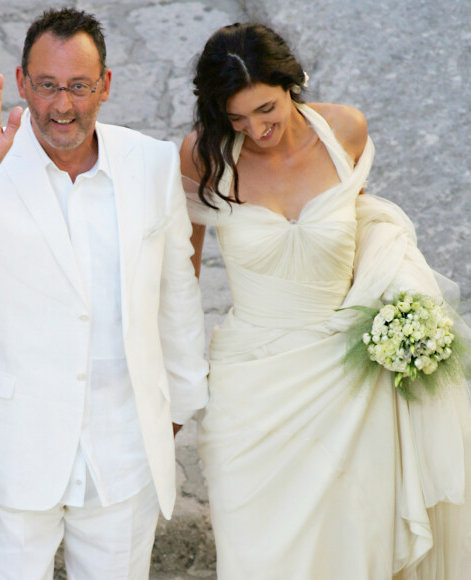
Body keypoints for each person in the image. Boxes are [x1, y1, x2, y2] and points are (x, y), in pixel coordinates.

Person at [0, 7, 208, 579]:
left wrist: (178, 407)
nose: (61, 106)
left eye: (78, 87)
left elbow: (177, 291)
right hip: (15, 441)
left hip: (124, 448)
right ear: (22, 84)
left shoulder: (154, 164)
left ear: (105, 86)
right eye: (46, 86)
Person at [180, 22, 471, 579]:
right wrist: (174, 372)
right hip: (251, 385)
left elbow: (360, 230)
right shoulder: (204, 154)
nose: (256, 129)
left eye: (265, 109)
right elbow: (180, 275)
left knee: (350, 553)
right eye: (237, 118)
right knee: (255, 553)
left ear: (290, 83)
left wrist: (401, 311)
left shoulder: (345, 131)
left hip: (348, 383)